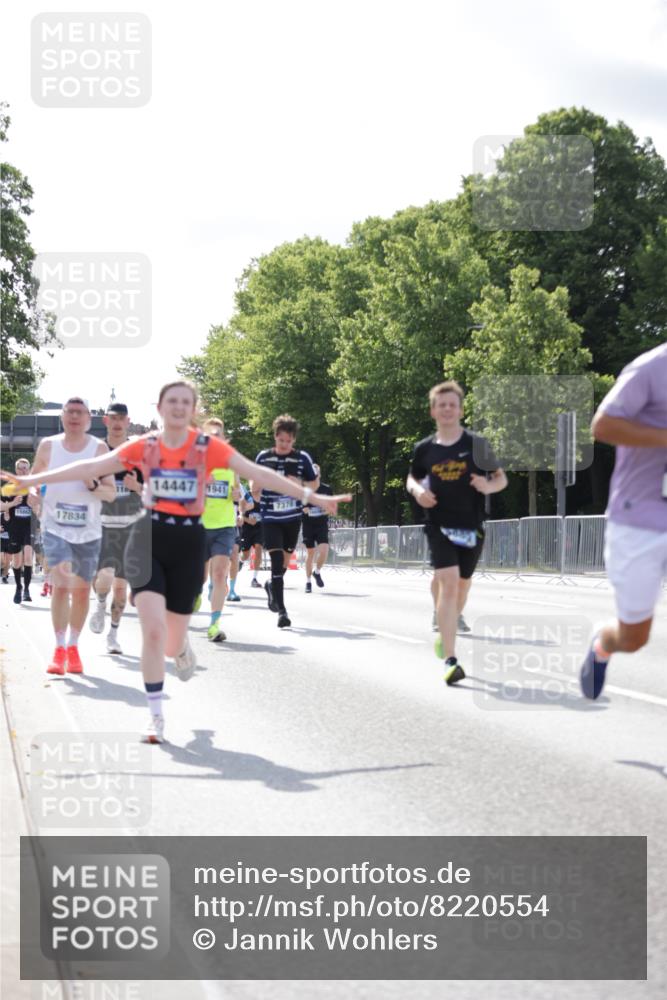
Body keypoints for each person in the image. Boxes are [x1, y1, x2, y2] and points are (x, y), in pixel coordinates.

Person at [3, 380, 350, 743]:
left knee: (170, 642)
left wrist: (313, 496)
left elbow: (259, 474)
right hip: (150, 538)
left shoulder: (207, 447)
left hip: (188, 542)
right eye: (173, 401)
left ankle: (181, 646)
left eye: (186, 401)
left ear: (194, 408)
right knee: (152, 630)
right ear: (161, 407)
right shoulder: (146, 445)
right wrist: (32, 479)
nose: (179, 407)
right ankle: (155, 717)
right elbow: (89, 466)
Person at [580, 342, 667, 699]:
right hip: (638, 520)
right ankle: (604, 643)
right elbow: (603, 426)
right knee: (633, 638)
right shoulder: (651, 367)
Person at [406, 380, 507, 685]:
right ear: (433, 411)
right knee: (448, 584)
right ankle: (451, 660)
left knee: (462, 588)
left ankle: (445, 625)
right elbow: (412, 479)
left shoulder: (477, 445)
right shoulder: (424, 449)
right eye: (442, 405)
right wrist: (417, 492)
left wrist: (488, 485)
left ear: (461, 410)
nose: (447, 409)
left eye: (453, 404)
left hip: (471, 525)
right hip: (439, 525)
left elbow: (501, 478)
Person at [27, 397, 116, 674]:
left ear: (88, 418)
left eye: (80, 412)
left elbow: (110, 492)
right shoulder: (48, 446)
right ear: (63, 417)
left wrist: (92, 486)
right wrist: (32, 495)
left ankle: (74, 647)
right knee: (62, 583)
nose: (74, 416)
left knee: (79, 592)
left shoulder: (98, 448)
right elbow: (34, 479)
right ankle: (58, 648)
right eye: (70, 412)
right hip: (55, 525)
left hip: (88, 530)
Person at [251, 415, 319, 628]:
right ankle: (282, 611)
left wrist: (299, 485)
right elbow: (254, 484)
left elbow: (314, 483)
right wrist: (257, 491)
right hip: (271, 518)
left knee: (283, 565)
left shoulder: (301, 459)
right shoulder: (264, 457)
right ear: (275, 437)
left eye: (288, 442)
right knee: (276, 561)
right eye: (281, 441)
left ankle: (272, 586)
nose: (284, 445)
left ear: (293, 440)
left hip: (292, 518)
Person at [89, 402, 144, 655]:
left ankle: (113, 635)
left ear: (128, 420)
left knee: (121, 588)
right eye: (114, 418)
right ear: (106, 421)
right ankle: (100, 603)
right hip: (101, 525)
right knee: (105, 577)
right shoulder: (96, 451)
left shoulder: (139, 453)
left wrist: (138, 488)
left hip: (131, 527)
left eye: (123, 418)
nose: (118, 422)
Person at [196, 417, 241, 643]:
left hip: (224, 526)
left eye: (218, 435)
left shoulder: (231, 464)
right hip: (200, 526)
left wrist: (237, 496)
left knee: (220, 573)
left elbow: (238, 493)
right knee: (201, 578)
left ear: (224, 439)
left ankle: (214, 624)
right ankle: (196, 593)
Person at [1, 459, 37, 602]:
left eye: (25, 468)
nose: (23, 471)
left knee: (28, 556)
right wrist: (12, 503)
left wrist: (35, 506)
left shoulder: (34, 487)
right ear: (16, 470)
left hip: (30, 526)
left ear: (29, 470)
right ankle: (18, 587)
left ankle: (27, 590)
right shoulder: (9, 487)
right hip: (14, 528)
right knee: (16, 561)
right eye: (20, 468)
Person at [302, 464, 332, 593]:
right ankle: (308, 582)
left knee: (324, 550)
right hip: (308, 524)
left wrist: (326, 510)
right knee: (310, 553)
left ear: (319, 475)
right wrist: (305, 509)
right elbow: (299, 507)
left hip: (321, 524)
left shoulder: (327, 489)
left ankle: (317, 572)